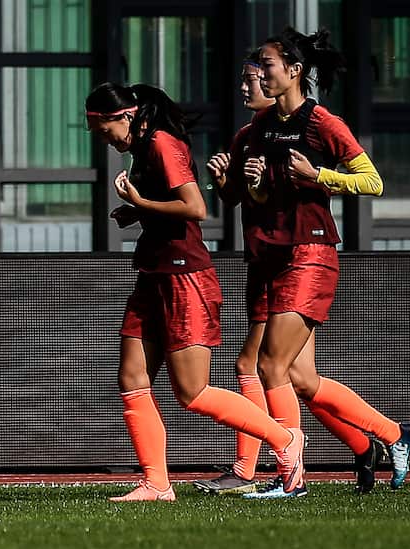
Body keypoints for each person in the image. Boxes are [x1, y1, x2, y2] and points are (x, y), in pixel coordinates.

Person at [86, 81, 305, 501]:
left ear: (126, 117)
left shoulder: (163, 144)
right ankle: (156, 484)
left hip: (185, 278)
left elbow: (196, 207)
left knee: (192, 391)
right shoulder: (143, 146)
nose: (102, 137)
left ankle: (286, 439)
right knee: (132, 378)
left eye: (102, 128)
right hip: (153, 274)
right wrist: (137, 210)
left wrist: (141, 203)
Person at [197, 52, 391, 495]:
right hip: (267, 257)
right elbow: (258, 198)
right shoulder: (255, 131)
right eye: (251, 74)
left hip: (306, 253)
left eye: (259, 73)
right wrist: (233, 181)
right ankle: (384, 440)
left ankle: (285, 477)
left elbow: (373, 182)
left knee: (266, 365)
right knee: (295, 376)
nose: (252, 83)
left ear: (291, 72)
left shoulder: (320, 121)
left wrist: (318, 173)